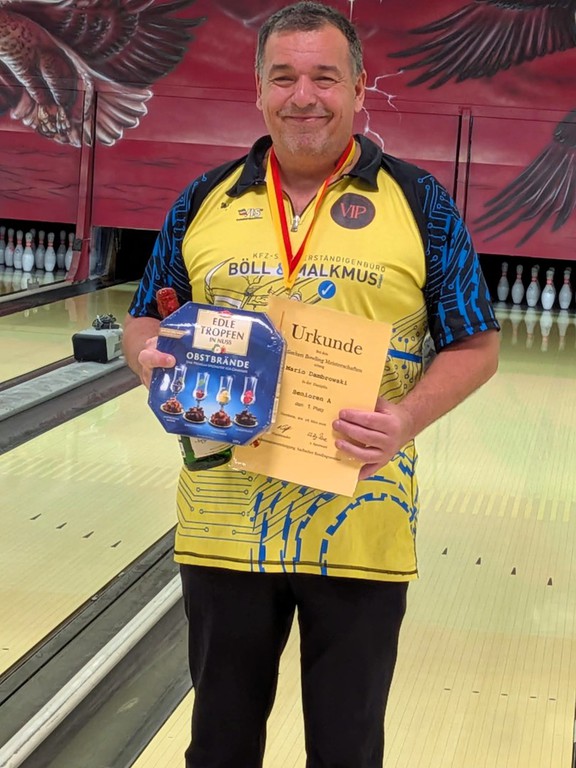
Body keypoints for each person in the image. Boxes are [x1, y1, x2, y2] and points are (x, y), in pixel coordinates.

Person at [122, 2, 500, 766]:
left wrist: (405, 418)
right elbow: (142, 319)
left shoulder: (421, 203)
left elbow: (477, 344)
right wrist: (147, 359)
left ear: (359, 87)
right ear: (258, 89)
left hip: (360, 522)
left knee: (347, 750)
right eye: (284, 77)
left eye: (324, 77)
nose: (304, 96)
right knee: (219, 747)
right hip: (224, 520)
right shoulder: (203, 199)